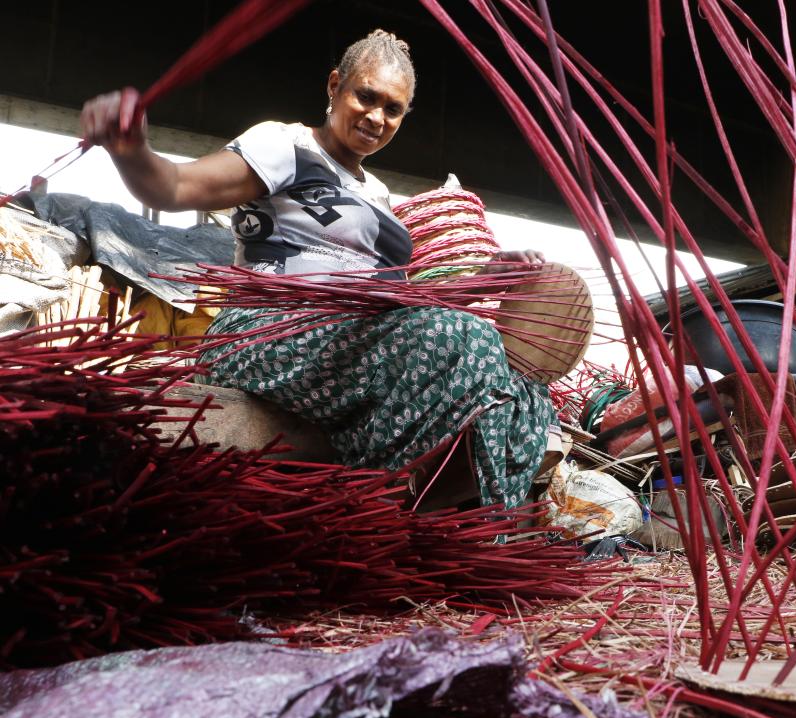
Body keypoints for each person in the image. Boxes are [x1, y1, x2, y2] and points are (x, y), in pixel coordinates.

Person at [80, 29, 557, 510]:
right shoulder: (285, 145)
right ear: (335, 86)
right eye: (365, 96)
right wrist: (131, 150)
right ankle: (371, 504)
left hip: (348, 345)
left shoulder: (378, 197)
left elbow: (405, 309)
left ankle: (464, 527)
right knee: (465, 339)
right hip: (269, 333)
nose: (376, 117)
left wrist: (487, 276)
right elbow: (176, 187)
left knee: (527, 396)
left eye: (392, 109)